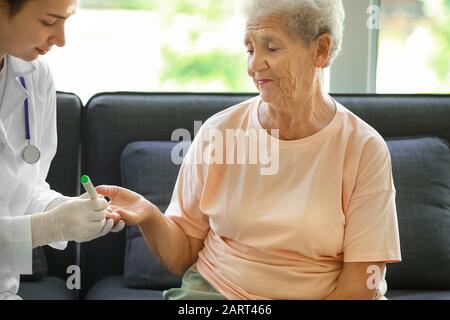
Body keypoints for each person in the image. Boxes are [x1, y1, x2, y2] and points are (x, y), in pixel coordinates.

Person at [97, 0, 401, 300]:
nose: (254, 66)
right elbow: (181, 257)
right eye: (250, 49)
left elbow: (361, 285)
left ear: (320, 50)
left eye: (271, 48)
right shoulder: (219, 133)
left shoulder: (363, 148)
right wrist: (149, 215)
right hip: (220, 293)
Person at [0, 0, 123, 300]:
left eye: (66, 20)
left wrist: (68, 212)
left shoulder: (35, 76)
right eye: (48, 21)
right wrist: (47, 228)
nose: (61, 39)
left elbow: (25, 191)